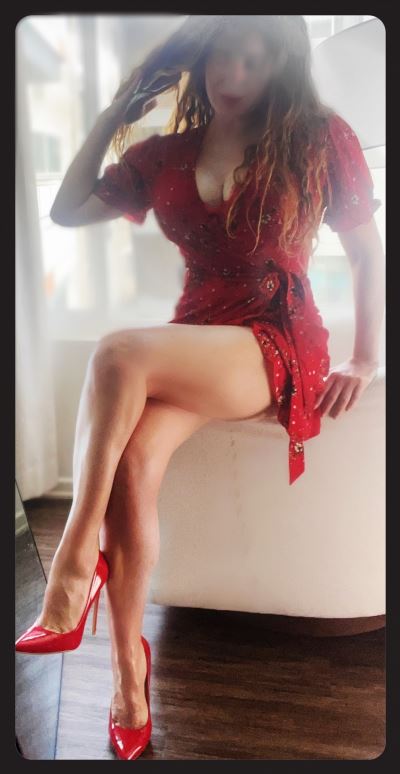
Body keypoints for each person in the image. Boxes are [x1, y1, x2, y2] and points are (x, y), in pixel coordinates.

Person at [15, 15, 385, 760]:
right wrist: (115, 114)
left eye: (254, 58)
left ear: (280, 66)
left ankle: (74, 566)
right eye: (222, 55)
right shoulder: (167, 152)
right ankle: (127, 675)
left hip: (277, 338)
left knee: (116, 352)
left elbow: (364, 252)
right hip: (198, 336)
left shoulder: (317, 136)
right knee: (134, 463)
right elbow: (66, 209)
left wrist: (365, 357)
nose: (232, 73)